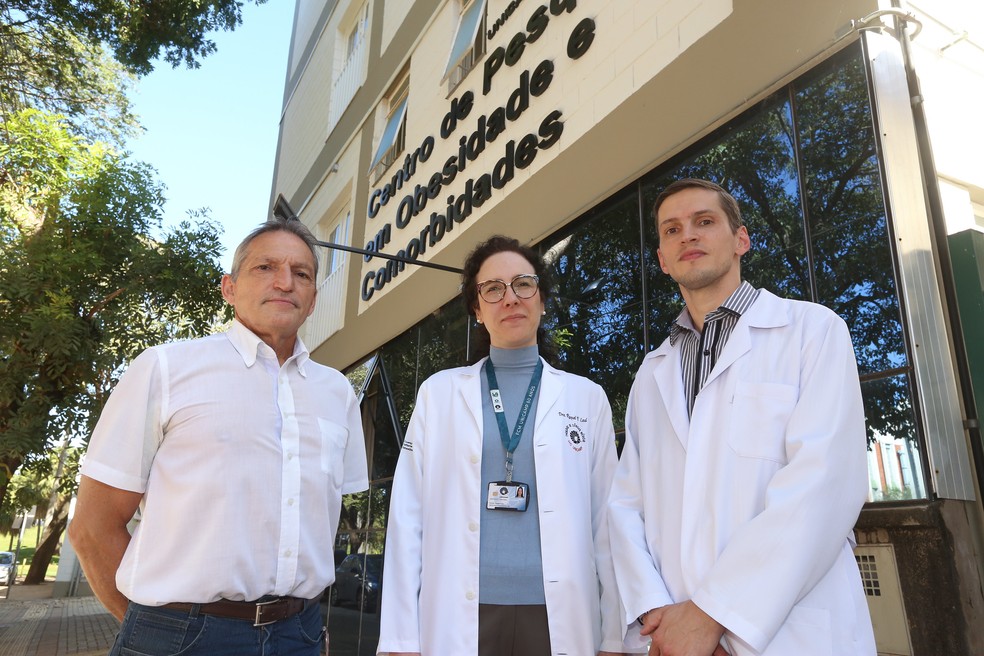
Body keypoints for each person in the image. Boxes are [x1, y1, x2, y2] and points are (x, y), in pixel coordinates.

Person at [68, 219, 370, 656]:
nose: (285, 282)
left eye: (301, 273)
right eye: (265, 267)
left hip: (299, 633)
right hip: (182, 633)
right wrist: (152, 631)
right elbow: (92, 528)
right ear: (229, 288)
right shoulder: (165, 369)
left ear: (312, 301)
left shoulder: (337, 392)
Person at [607, 178, 876, 655]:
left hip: (788, 634)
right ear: (663, 260)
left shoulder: (813, 331)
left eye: (704, 221)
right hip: (671, 636)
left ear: (741, 240)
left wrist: (711, 615)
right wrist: (660, 614)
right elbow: (626, 504)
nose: (688, 235)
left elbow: (823, 485)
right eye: (672, 230)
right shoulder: (652, 372)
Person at [377, 236, 631, 656]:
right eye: (493, 289)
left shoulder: (586, 398)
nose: (510, 297)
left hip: (558, 615)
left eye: (523, 284)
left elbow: (606, 522)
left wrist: (615, 636)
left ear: (542, 300)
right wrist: (401, 638)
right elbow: (407, 517)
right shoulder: (438, 394)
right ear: (477, 310)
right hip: (460, 613)